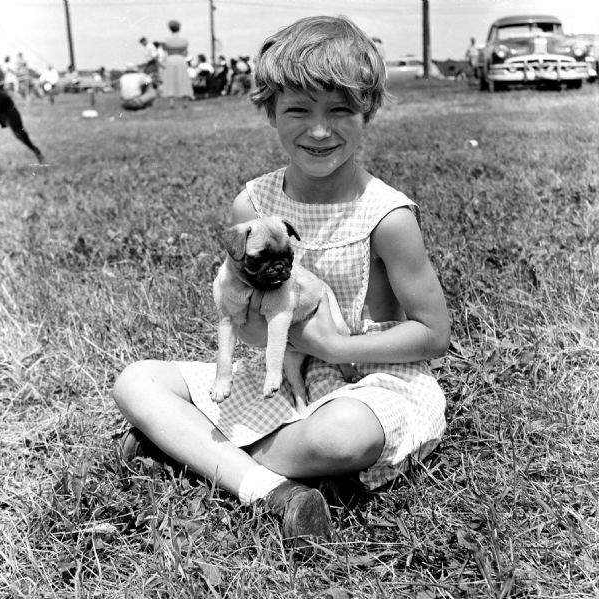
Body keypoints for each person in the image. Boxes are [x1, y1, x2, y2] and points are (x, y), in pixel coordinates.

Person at [113, 15, 450, 552]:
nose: (319, 130)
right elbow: (243, 318)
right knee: (136, 380)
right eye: (298, 109)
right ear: (270, 111)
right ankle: (270, 486)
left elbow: (433, 336)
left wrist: (337, 344)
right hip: (283, 377)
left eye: (340, 109)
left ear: (369, 111)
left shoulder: (386, 216)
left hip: (377, 381)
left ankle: (184, 448)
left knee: (341, 436)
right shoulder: (253, 207)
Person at [162, 19, 193, 108]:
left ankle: (171, 102)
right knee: (183, 78)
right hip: (181, 59)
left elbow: (165, 50)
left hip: (170, 59)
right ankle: (185, 102)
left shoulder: (166, 40)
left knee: (170, 79)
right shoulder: (184, 39)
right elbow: (186, 52)